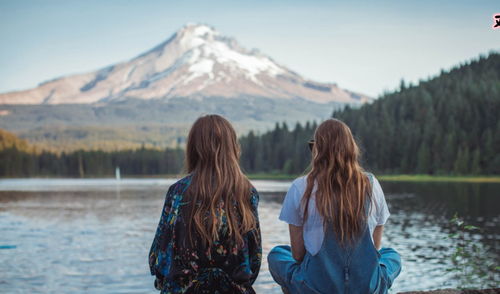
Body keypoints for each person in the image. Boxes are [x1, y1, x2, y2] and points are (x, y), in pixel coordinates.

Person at [268, 118, 401, 294]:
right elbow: (374, 248)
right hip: (366, 288)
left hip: (316, 288)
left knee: (277, 254)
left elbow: (298, 255)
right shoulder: (371, 184)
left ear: (318, 151)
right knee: (392, 256)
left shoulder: (300, 187)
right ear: (351, 148)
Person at [149, 114, 262, 294]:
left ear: (193, 148)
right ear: (232, 147)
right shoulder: (246, 192)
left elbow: (158, 258)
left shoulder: (177, 192)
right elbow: (254, 260)